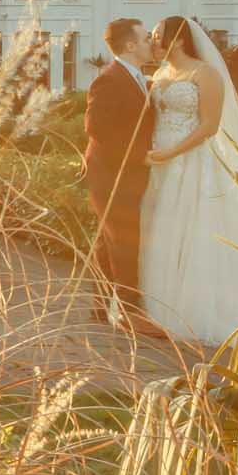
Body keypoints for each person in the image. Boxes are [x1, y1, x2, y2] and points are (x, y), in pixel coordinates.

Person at [138, 14, 238, 343]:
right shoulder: (160, 74)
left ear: (179, 39)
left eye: (158, 35)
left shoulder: (206, 74)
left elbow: (209, 126)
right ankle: (160, 305)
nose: (153, 41)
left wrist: (173, 153)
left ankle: (196, 307)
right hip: (159, 162)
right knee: (163, 230)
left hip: (191, 161)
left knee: (195, 228)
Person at [82, 17, 167, 339]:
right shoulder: (109, 79)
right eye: (146, 39)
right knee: (125, 239)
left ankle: (100, 304)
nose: (151, 43)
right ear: (130, 45)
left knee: (109, 239)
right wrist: (137, 156)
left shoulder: (136, 78)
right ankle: (131, 313)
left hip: (126, 170)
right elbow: (96, 128)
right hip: (112, 172)